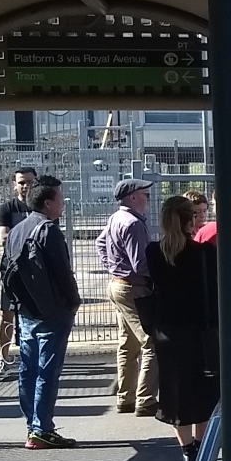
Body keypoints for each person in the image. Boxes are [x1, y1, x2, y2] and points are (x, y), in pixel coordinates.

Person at [140, 196, 219, 461]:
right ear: (191, 220)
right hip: (199, 330)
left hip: (167, 331)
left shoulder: (153, 252)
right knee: (202, 391)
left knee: (175, 392)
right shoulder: (205, 253)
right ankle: (200, 446)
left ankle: (187, 452)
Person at [1, 176, 79, 449]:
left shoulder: (18, 230)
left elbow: (5, 271)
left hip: (26, 310)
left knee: (28, 368)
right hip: (52, 311)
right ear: (48, 203)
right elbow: (63, 272)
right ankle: (42, 429)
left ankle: (33, 426)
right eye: (59, 198)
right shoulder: (48, 230)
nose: (62, 203)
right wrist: (73, 302)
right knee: (47, 370)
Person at [96, 178, 157, 416]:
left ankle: (126, 397)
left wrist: (112, 267)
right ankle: (146, 400)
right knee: (150, 342)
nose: (148, 199)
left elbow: (100, 243)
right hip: (134, 288)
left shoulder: (116, 218)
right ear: (133, 197)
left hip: (118, 286)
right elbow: (141, 264)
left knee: (128, 344)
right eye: (145, 194)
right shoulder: (133, 223)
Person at [0, 166, 36, 380]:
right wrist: (31, 240)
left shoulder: (41, 208)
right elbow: (4, 239)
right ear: (14, 185)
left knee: (36, 314)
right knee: (6, 315)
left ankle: (33, 359)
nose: (26, 186)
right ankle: (3, 358)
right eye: (22, 182)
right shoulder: (7, 209)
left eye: (29, 182)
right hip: (12, 272)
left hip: (37, 273)